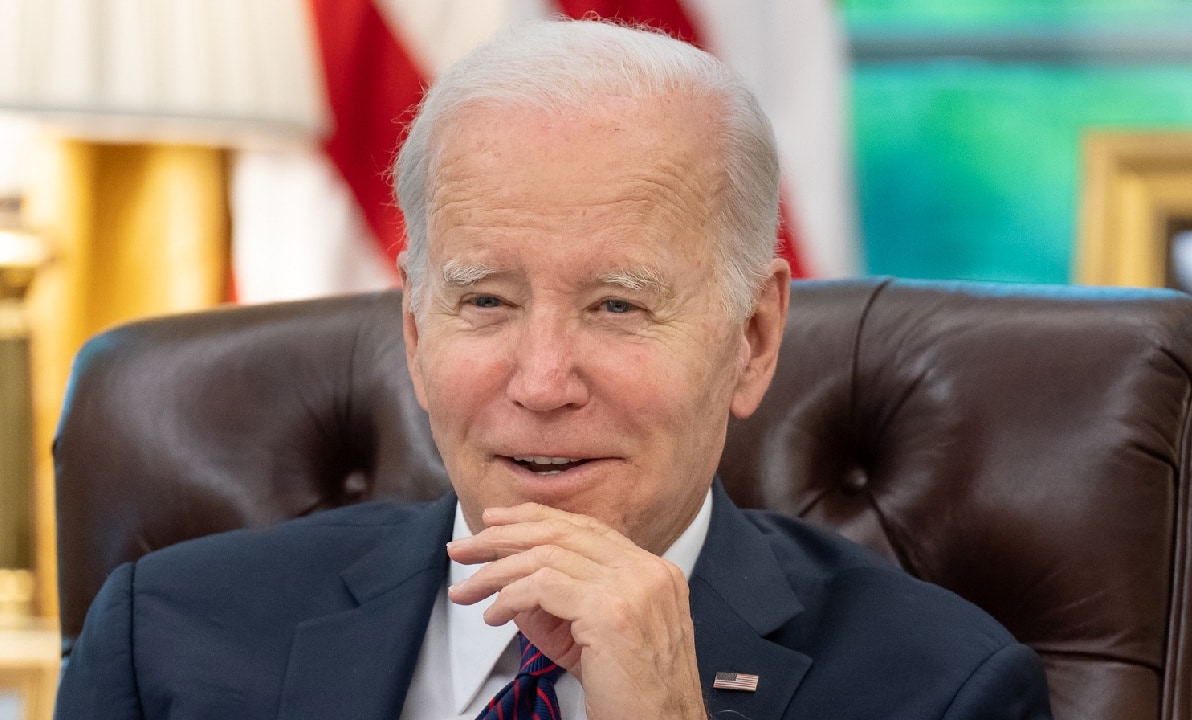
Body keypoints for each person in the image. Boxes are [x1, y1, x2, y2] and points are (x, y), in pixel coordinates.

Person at [55, 18, 1054, 720]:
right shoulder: (169, 639)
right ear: (412, 329)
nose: (539, 383)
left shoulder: (939, 690)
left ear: (749, 339)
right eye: (483, 301)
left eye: (617, 305)